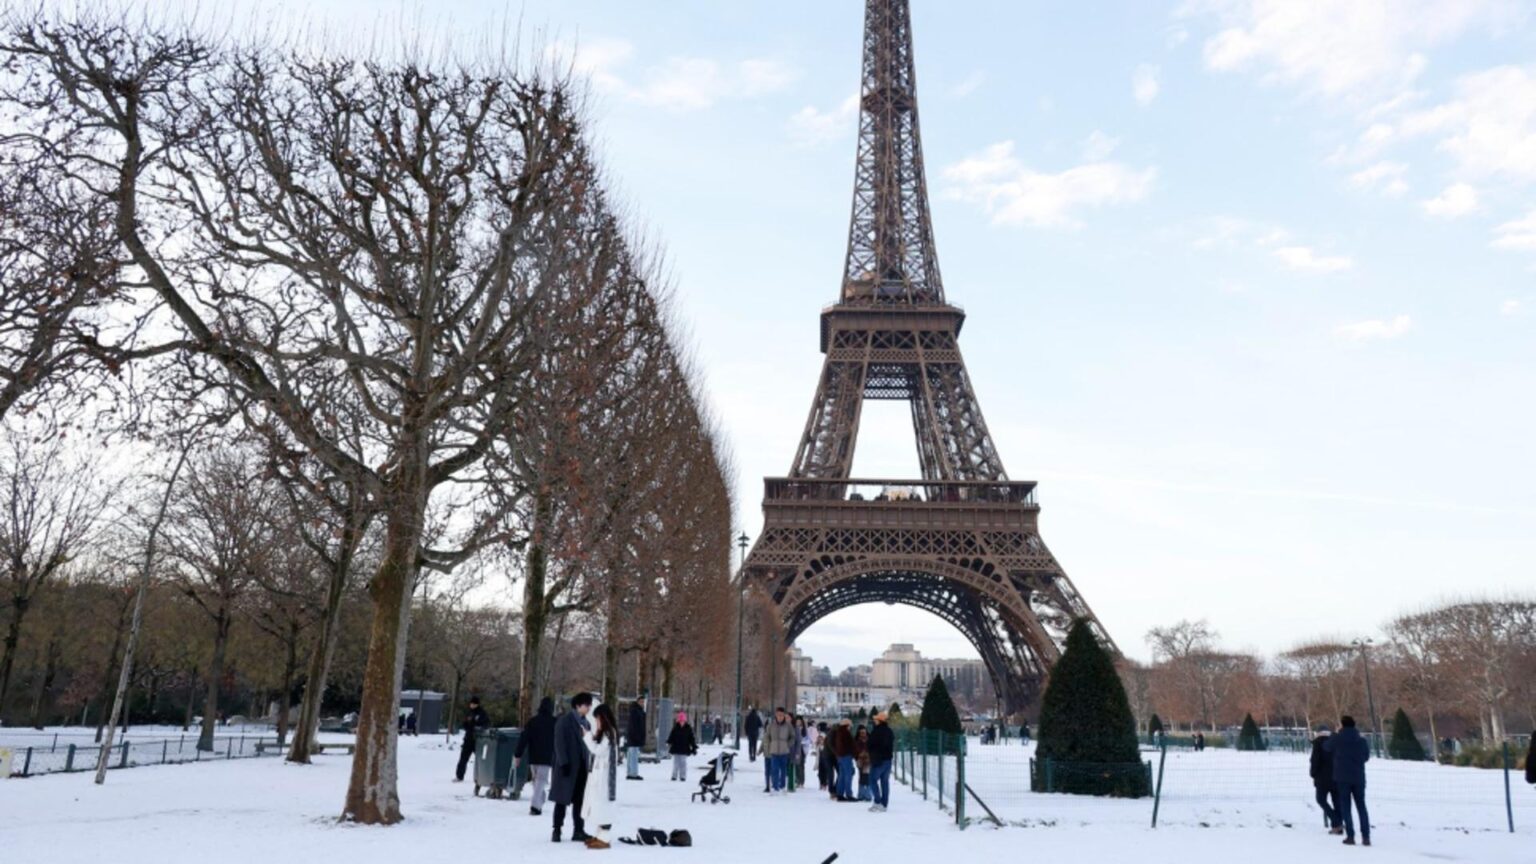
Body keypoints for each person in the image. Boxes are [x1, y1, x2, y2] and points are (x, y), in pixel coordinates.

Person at [552, 693, 595, 844]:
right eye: (586, 705)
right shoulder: (564, 721)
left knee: (580, 800)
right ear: (578, 706)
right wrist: (564, 762)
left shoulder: (586, 723)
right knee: (562, 800)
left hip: (582, 767)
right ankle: (557, 829)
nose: (589, 708)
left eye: (589, 705)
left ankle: (578, 830)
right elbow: (559, 743)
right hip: (568, 766)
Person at [1326, 715, 1371, 847]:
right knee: (1361, 806)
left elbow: (1326, 747)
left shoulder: (1337, 739)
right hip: (1358, 777)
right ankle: (1366, 836)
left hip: (1342, 778)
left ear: (1342, 725)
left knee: (1346, 807)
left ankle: (1350, 836)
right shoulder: (1361, 740)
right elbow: (1366, 757)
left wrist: (1334, 734)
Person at [582, 703, 620, 850]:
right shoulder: (606, 733)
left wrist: (587, 737)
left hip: (604, 778)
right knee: (598, 806)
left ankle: (604, 838)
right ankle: (599, 835)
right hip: (600, 776)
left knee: (603, 807)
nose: (597, 722)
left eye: (598, 719)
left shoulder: (609, 734)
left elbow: (598, 751)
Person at [515, 697, 557, 816]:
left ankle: (538, 802)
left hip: (533, 755)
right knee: (540, 781)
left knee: (536, 781)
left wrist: (518, 754)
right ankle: (536, 805)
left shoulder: (532, 721)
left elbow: (524, 738)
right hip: (547, 756)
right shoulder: (555, 722)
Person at [1309, 724, 1342, 835]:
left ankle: (1336, 822)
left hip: (1322, 779)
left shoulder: (1318, 743)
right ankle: (1338, 826)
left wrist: (1313, 774)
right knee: (1337, 802)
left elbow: (1315, 760)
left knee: (1320, 799)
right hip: (1337, 777)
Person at [455, 695, 491, 782]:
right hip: (468, 739)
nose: (472, 705)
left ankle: (484, 776)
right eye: (471, 704)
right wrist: (467, 725)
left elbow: (486, 724)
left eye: (473, 704)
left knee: (480, 759)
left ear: (477, 704)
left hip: (478, 740)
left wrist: (478, 727)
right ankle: (459, 776)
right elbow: (465, 723)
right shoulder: (469, 713)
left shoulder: (482, 713)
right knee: (463, 758)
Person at [763, 706, 796, 794]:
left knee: (783, 770)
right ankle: (775, 787)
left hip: (784, 751)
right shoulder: (771, 725)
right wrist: (768, 747)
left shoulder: (788, 726)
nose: (780, 717)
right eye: (778, 715)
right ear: (776, 715)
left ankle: (782, 786)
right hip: (774, 751)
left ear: (784, 715)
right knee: (774, 769)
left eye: (781, 715)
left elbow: (793, 737)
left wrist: (788, 744)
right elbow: (767, 737)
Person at [868, 711, 894, 812]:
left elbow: (871, 744)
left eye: (876, 719)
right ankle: (884, 804)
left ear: (879, 721)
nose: (874, 721)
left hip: (878, 760)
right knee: (885, 782)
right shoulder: (889, 731)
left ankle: (877, 802)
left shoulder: (877, 731)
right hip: (888, 759)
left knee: (872, 780)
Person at [666, 712, 697, 781]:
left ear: (685, 721)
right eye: (680, 721)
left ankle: (683, 776)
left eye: (683, 721)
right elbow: (672, 736)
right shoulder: (675, 728)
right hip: (676, 748)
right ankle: (674, 776)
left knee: (683, 763)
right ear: (678, 721)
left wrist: (694, 747)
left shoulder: (688, 728)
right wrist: (669, 742)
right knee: (676, 763)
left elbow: (691, 739)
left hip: (684, 748)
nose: (681, 722)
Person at [831, 718, 856, 802]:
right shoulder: (846, 733)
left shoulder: (839, 733)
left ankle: (840, 794)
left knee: (841, 776)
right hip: (846, 756)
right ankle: (849, 794)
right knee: (848, 775)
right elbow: (850, 745)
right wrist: (854, 753)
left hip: (840, 757)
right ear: (847, 725)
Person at [624, 695, 646, 781]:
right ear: (637, 702)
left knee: (631, 755)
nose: (642, 703)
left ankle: (630, 773)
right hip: (634, 737)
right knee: (633, 755)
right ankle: (633, 773)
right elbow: (634, 725)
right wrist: (637, 736)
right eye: (641, 701)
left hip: (633, 736)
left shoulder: (638, 711)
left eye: (643, 702)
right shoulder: (635, 711)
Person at [854, 725, 872, 801]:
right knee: (862, 777)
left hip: (868, 761)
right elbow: (855, 751)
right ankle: (862, 795)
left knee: (866, 777)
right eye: (861, 732)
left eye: (864, 731)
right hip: (861, 761)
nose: (863, 733)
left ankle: (866, 795)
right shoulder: (857, 740)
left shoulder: (869, 739)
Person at [816, 722, 834, 792]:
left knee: (825, 771)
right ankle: (822, 783)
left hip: (825, 755)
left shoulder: (825, 735)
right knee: (821, 771)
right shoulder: (822, 735)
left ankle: (824, 783)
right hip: (820, 756)